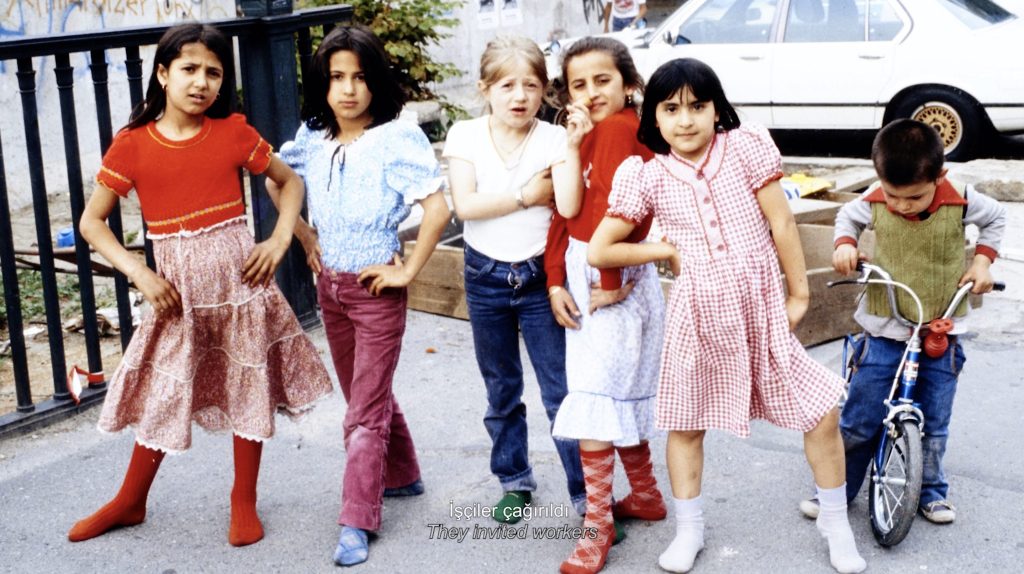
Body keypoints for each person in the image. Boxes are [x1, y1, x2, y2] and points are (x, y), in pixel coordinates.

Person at [588, 58, 867, 574]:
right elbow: (600, 250)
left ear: (717, 110)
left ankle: (835, 520)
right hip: (699, 312)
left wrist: (799, 295)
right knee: (687, 423)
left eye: (698, 106)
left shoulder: (743, 148)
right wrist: (661, 251)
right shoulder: (646, 175)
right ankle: (689, 530)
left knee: (820, 410)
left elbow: (781, 221)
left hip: (760, 303)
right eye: (671, 109)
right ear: (654, 117)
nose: (686, 120)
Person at [70, 23, 333, 547]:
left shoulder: (233, 132)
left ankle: (243, 499)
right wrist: (139, 272)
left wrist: (281, 239)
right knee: (167, 391)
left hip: (242, 290)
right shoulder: (133, 145)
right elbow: (91, 222)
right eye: (189, 69)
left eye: (213, 72)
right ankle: (131, 499)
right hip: (178, 299)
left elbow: (290, 182)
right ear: (163, 74)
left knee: (248, 386)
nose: (201, 82)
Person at [271, 26, 450, 567]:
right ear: (323, 85)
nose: (348, 90)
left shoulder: (395, 138)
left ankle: (356, 520)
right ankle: (404, 474)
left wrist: (406, 273)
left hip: (376, 291)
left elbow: (437, 209)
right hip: (332, 289)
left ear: (376, 81)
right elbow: (276, 179)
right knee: (362, 396)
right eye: (336, 78)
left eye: (360, 77)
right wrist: (304, 236)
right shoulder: (314, 136)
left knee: (363, 412)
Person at [798, 118, 1006, 525]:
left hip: (941, 326)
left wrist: (982, 261)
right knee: (859, 419)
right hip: (885, 325)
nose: (901, 205)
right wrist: (845, 245)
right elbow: (848, 218)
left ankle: (930, 492)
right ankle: (837, 491)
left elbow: (996, 218)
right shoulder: (876, 198)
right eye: (893, 196)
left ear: (939, 176)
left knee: (935, 422)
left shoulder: (961, 198)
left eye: (914, 197)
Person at [443, 36, 588, 524]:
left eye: (531, 84)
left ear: (545, 90)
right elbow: (466, 206)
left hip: (539, 276)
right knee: (501, 386)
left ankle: (586, 494)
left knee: (560, 390)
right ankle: (514, 479)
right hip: (484, 274)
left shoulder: (551, 138)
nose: (519, 96)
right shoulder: (465, 134)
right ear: (486, 87)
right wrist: (528, 194)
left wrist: (569, 146)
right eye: (507, 85)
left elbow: (567, 205)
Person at [545, 37, 664, 574]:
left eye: (602, 81)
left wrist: (608, 278)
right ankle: (643, 494)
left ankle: (597, 525)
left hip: (608, 276)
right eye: (579, 84)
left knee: (594, 397)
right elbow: (564, 213)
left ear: (629, 85)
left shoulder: (620, 130)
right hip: (595, 270)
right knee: (616, 394)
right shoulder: (586, 135)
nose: (591, 92)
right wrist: (553, 277)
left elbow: (618, 213)